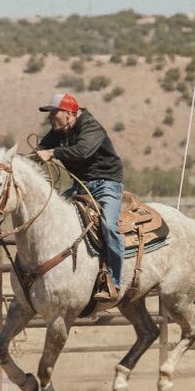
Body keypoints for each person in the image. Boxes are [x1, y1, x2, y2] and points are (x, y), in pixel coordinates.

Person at [34, 93, 125, 304]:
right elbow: (42, 148)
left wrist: (52, 153)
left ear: (69, 114)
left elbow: (83, 151)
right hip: (81, 186)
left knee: (109, 226)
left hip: (106, 183)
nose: (50, 118)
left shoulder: (91, 127)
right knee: (51, 214)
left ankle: (114, 282)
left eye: (54, 113)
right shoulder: (59, 130)